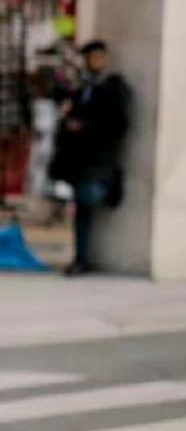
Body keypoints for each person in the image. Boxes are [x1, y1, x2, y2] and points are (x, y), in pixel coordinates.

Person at [51, 40, 131, 276]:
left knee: (86, 199)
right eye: (90, 58)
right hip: (82, 161)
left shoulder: (113, 88)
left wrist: (85, 127)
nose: (93, 62)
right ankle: (81, 258)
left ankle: (109, 191)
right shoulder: (83, 89)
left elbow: (118, 124)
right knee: (82, 207)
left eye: (97, 57)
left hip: (100, 161)